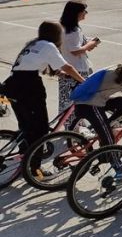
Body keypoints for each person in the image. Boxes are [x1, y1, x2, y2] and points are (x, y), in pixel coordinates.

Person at [4, 21, 85, 153]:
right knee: (40, 129)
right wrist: (83, 81)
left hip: (12, 84)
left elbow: (32, 65)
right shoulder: (49, 46)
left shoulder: (34, 44)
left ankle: (24, 154)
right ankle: (34, 163)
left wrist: (60, 73)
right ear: (56, 35)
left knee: (26, 125)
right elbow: (68, 67)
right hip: (28, 87)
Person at [71, 51, 122, 147]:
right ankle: (107, 151)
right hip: (89, 105)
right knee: (109, 142)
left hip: (89, 100)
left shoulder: (119, 68)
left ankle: (109, 124)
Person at [58, 0, 100, 110]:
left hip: (67, 69)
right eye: (84, 11)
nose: (85, 13)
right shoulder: (74, 31)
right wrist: (90, 44)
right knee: (78, 104)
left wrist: (87, 45)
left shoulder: (63, 27)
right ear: (76, 13)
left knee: (66, 103)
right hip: (77, 70)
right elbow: (75, 51)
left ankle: (67, 120)